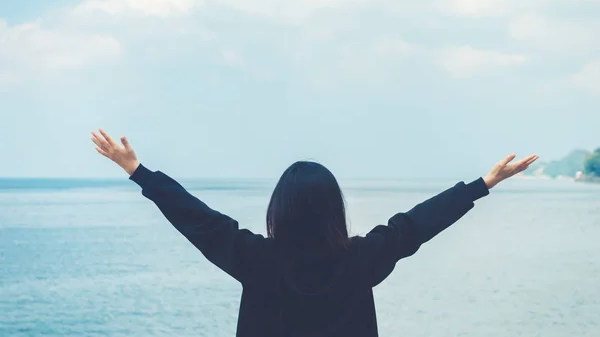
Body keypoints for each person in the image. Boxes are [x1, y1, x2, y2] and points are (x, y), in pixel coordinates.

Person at [91, 128, 538, 337]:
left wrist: (138, 171)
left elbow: (198, 219)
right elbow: (418, 223)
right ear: (333, 209)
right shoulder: (364, 258)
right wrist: (483, 184)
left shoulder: (252, 258)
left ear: (278, 210)